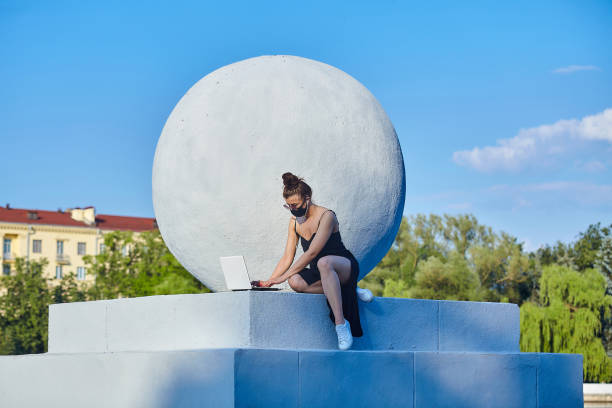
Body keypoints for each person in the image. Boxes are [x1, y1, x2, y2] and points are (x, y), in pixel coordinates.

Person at [260, 172, 373, 350]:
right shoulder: (294, 222)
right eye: (288, 206)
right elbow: (287, 257)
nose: (293, 209)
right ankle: (349, 287)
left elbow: (312, 253)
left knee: (324, 262)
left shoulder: (326, 216)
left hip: (343, 265)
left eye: (295, 205)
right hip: (322, 273)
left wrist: (279, 278)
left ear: (307, 198)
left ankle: (341, 325)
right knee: (294, 281)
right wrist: (269, 281)